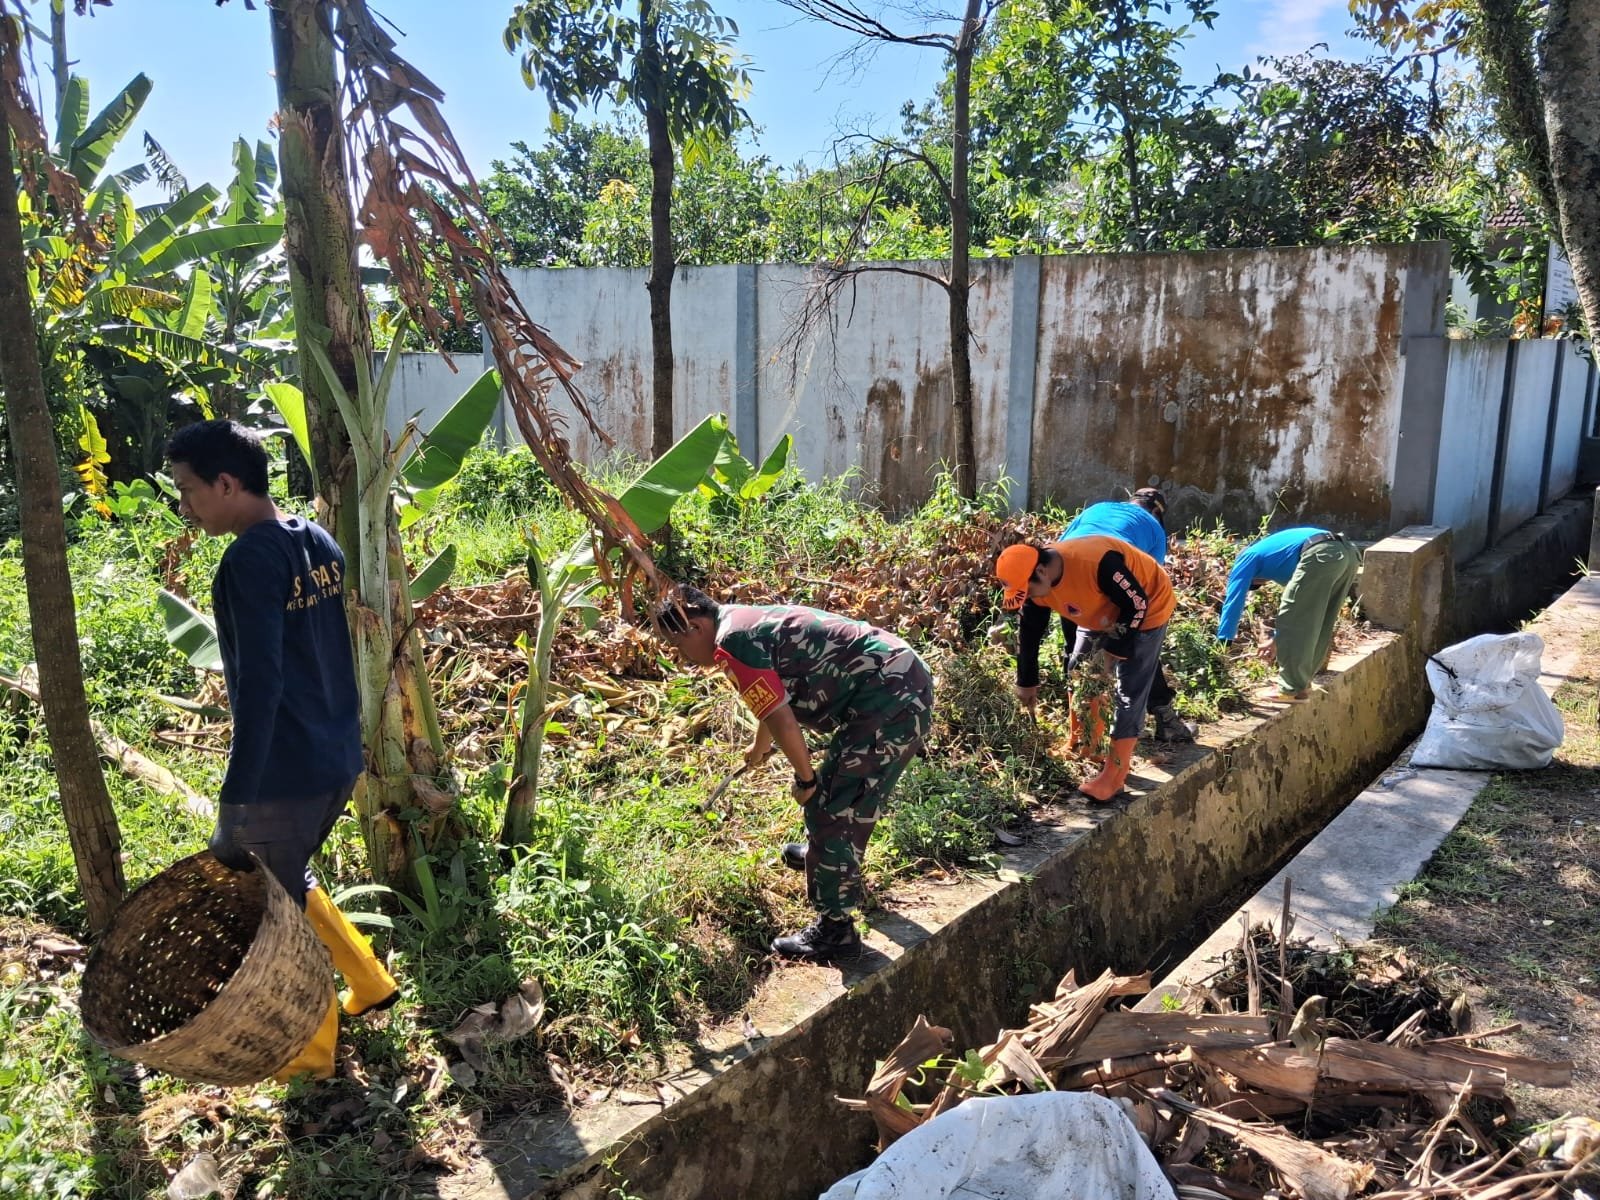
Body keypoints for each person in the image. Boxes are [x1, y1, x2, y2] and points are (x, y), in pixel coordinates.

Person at [167, 419, 397, 1082]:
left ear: (227, 482)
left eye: (188, 490)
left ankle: (312, 1058)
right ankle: (370, 980)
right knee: (290, 876)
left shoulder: (247, 562)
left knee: (279, 915)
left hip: (285, 770)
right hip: (333, 753)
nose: (186, 505)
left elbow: (261, 684)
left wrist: (238, 795)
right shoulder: (316, 540)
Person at [654, 587, 933, 963]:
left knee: (830, 805)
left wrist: (806, 781)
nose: (682, 656)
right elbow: (773, 699)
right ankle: (828, 857)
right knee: (845, 795)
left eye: (678, 644)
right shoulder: (739, 621)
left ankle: (835, 932)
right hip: (897, 681)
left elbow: (783, 719)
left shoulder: (732, 642)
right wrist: (759, 747)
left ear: (695, 626)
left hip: (889, 696)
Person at [994, 536, 1175, 803]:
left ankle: (1114, 775)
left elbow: (1136, 604)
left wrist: (1110, 656)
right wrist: (1026, 680)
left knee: (1129, 690)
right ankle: (1083, 744)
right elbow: (1030, 631)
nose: (1028, 596)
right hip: (1099, 611)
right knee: (1079, 671)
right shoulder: (1039, 585)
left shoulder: (1097, 563)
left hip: (1147, 609)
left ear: (1041, 571)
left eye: (1028, 589)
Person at [1059, 488, 1194, 742]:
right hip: (1115, 580)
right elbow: (1149, 584)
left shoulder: (1097, 508)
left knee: (1078, 659)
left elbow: (1060, 549)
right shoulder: (1153, 526)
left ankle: (1082, 736)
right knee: (1141, 648)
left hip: (1067, 581)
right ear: (1156, 511)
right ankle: (1163, 717)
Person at [1216, 526, 1362, 701]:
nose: (1262, 581)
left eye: (1256, 581)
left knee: (1295, 616)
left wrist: (1223, 642)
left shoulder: (1247, 558)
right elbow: (1303, 615)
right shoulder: (1280, 558)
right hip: (1347, 553)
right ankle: (1302, 684)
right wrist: (1276, 639)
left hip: (1321, 552)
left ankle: (1289, 689)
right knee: (1322, 619)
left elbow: (1234, 600)